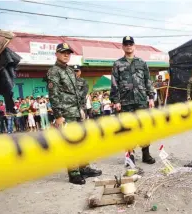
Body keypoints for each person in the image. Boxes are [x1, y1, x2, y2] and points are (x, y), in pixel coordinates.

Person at [47, 43, 102, 185]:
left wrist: (81, 110)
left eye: (68, 53)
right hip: (66, 113)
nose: (66, 54)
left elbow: (77, 93)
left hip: (77, 112)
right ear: (57, 54)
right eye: (63, 52)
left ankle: (84, 167)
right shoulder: (54, 71)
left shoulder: (70, 71)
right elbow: (54, 94)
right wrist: (58, 115)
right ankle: (74, 173)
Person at [110, 36, 156, 165]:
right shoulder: (117, 64)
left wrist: (151, 97)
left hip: (141, 100)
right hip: (125, 102)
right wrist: (116, 100)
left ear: (134, 46)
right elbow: (114, 83)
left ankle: (146, 155)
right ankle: (130, 157)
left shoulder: (142, 62)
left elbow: (148, 81)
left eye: (131, 44)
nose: (128, 46)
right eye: (126, 44)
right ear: (123, 47)